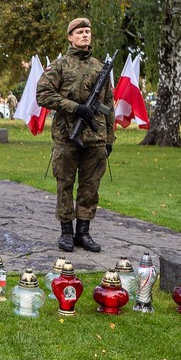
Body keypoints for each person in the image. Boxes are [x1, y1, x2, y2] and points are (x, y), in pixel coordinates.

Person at [36, 17, 115, 253]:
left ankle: (84, 232)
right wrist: (73, 107)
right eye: (80, 32)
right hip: (67, 136)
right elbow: (42, 95)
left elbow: (109, 105)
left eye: (88, 31)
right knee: (65, 184)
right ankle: (66, 233)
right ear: (70, 37)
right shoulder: (59, 66)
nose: (85, 35)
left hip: (95, 137)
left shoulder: (100, 67)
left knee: (90, 186)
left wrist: (110, 138)